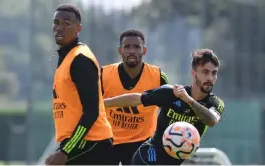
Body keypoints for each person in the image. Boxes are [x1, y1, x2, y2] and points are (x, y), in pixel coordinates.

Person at [104, 49, 225, 165]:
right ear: (194, 73)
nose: (210, 78)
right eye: (205, 72)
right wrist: (103, 103)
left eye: (214, 73)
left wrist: (188, 100)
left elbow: (211, 120)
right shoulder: (171, 93)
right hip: (149, 156)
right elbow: (137, 99)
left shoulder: (214, 103)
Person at [45, 4, 113, 165]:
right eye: (56, 22)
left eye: (66, 23)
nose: (59, 27)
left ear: (78, 28)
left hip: (92, 144)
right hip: (79, 143)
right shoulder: (67, 57)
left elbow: (91, 112)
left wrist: (65, 151)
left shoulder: (80, 59)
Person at [101, 29, 169, 165]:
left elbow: (167, 110)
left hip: (141, 142)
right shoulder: (103, 74)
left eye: (136, 47)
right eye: (127, 47)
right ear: (120, 50)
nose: (131, 51)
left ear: (144, 50)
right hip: (108, 140)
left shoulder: (158, 76)